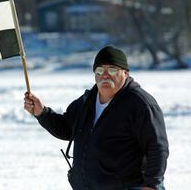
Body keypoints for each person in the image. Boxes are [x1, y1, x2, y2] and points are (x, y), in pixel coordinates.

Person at [24, 46, 169, 190]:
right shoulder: (87, 101)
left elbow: (157, 148)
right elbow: (66, 129)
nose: (105, 75)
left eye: (112, 70)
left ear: (125, 72)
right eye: (99, 70)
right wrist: (42, 112)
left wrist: (152, 185)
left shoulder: (141, 105)